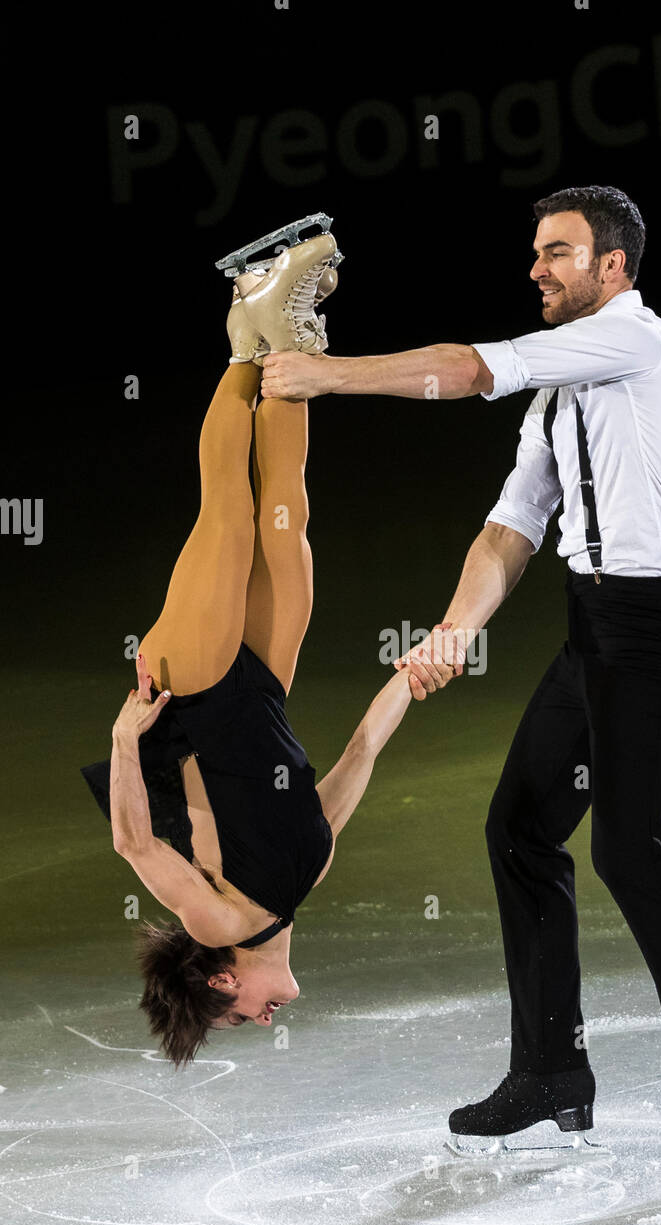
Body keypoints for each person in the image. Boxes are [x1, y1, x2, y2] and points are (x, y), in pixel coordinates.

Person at [256, 185, 661, 1193]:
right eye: (534, 252)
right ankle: (549, 1075)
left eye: (557, 253)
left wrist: (321, 375)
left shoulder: (636, 344)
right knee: (519, 832)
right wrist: (452, 630)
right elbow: (509, 528)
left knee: (629, 851)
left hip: (656, 637)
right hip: (592, 635)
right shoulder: (558, 397)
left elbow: (466, 369)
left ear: (610, 268)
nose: (536, 267)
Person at [81, 229, 464, 1068]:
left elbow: (135, 846)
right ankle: (277, 336)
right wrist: (417, 671)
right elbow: (360, 755)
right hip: (260, 682)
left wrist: (121, 738)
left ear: (221, 983)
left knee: (230, 514)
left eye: (238, 1018)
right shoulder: (308, 874)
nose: (261, 1019)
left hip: (189, 693)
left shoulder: (218, 921)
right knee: (287, 514)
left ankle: (237, 350)